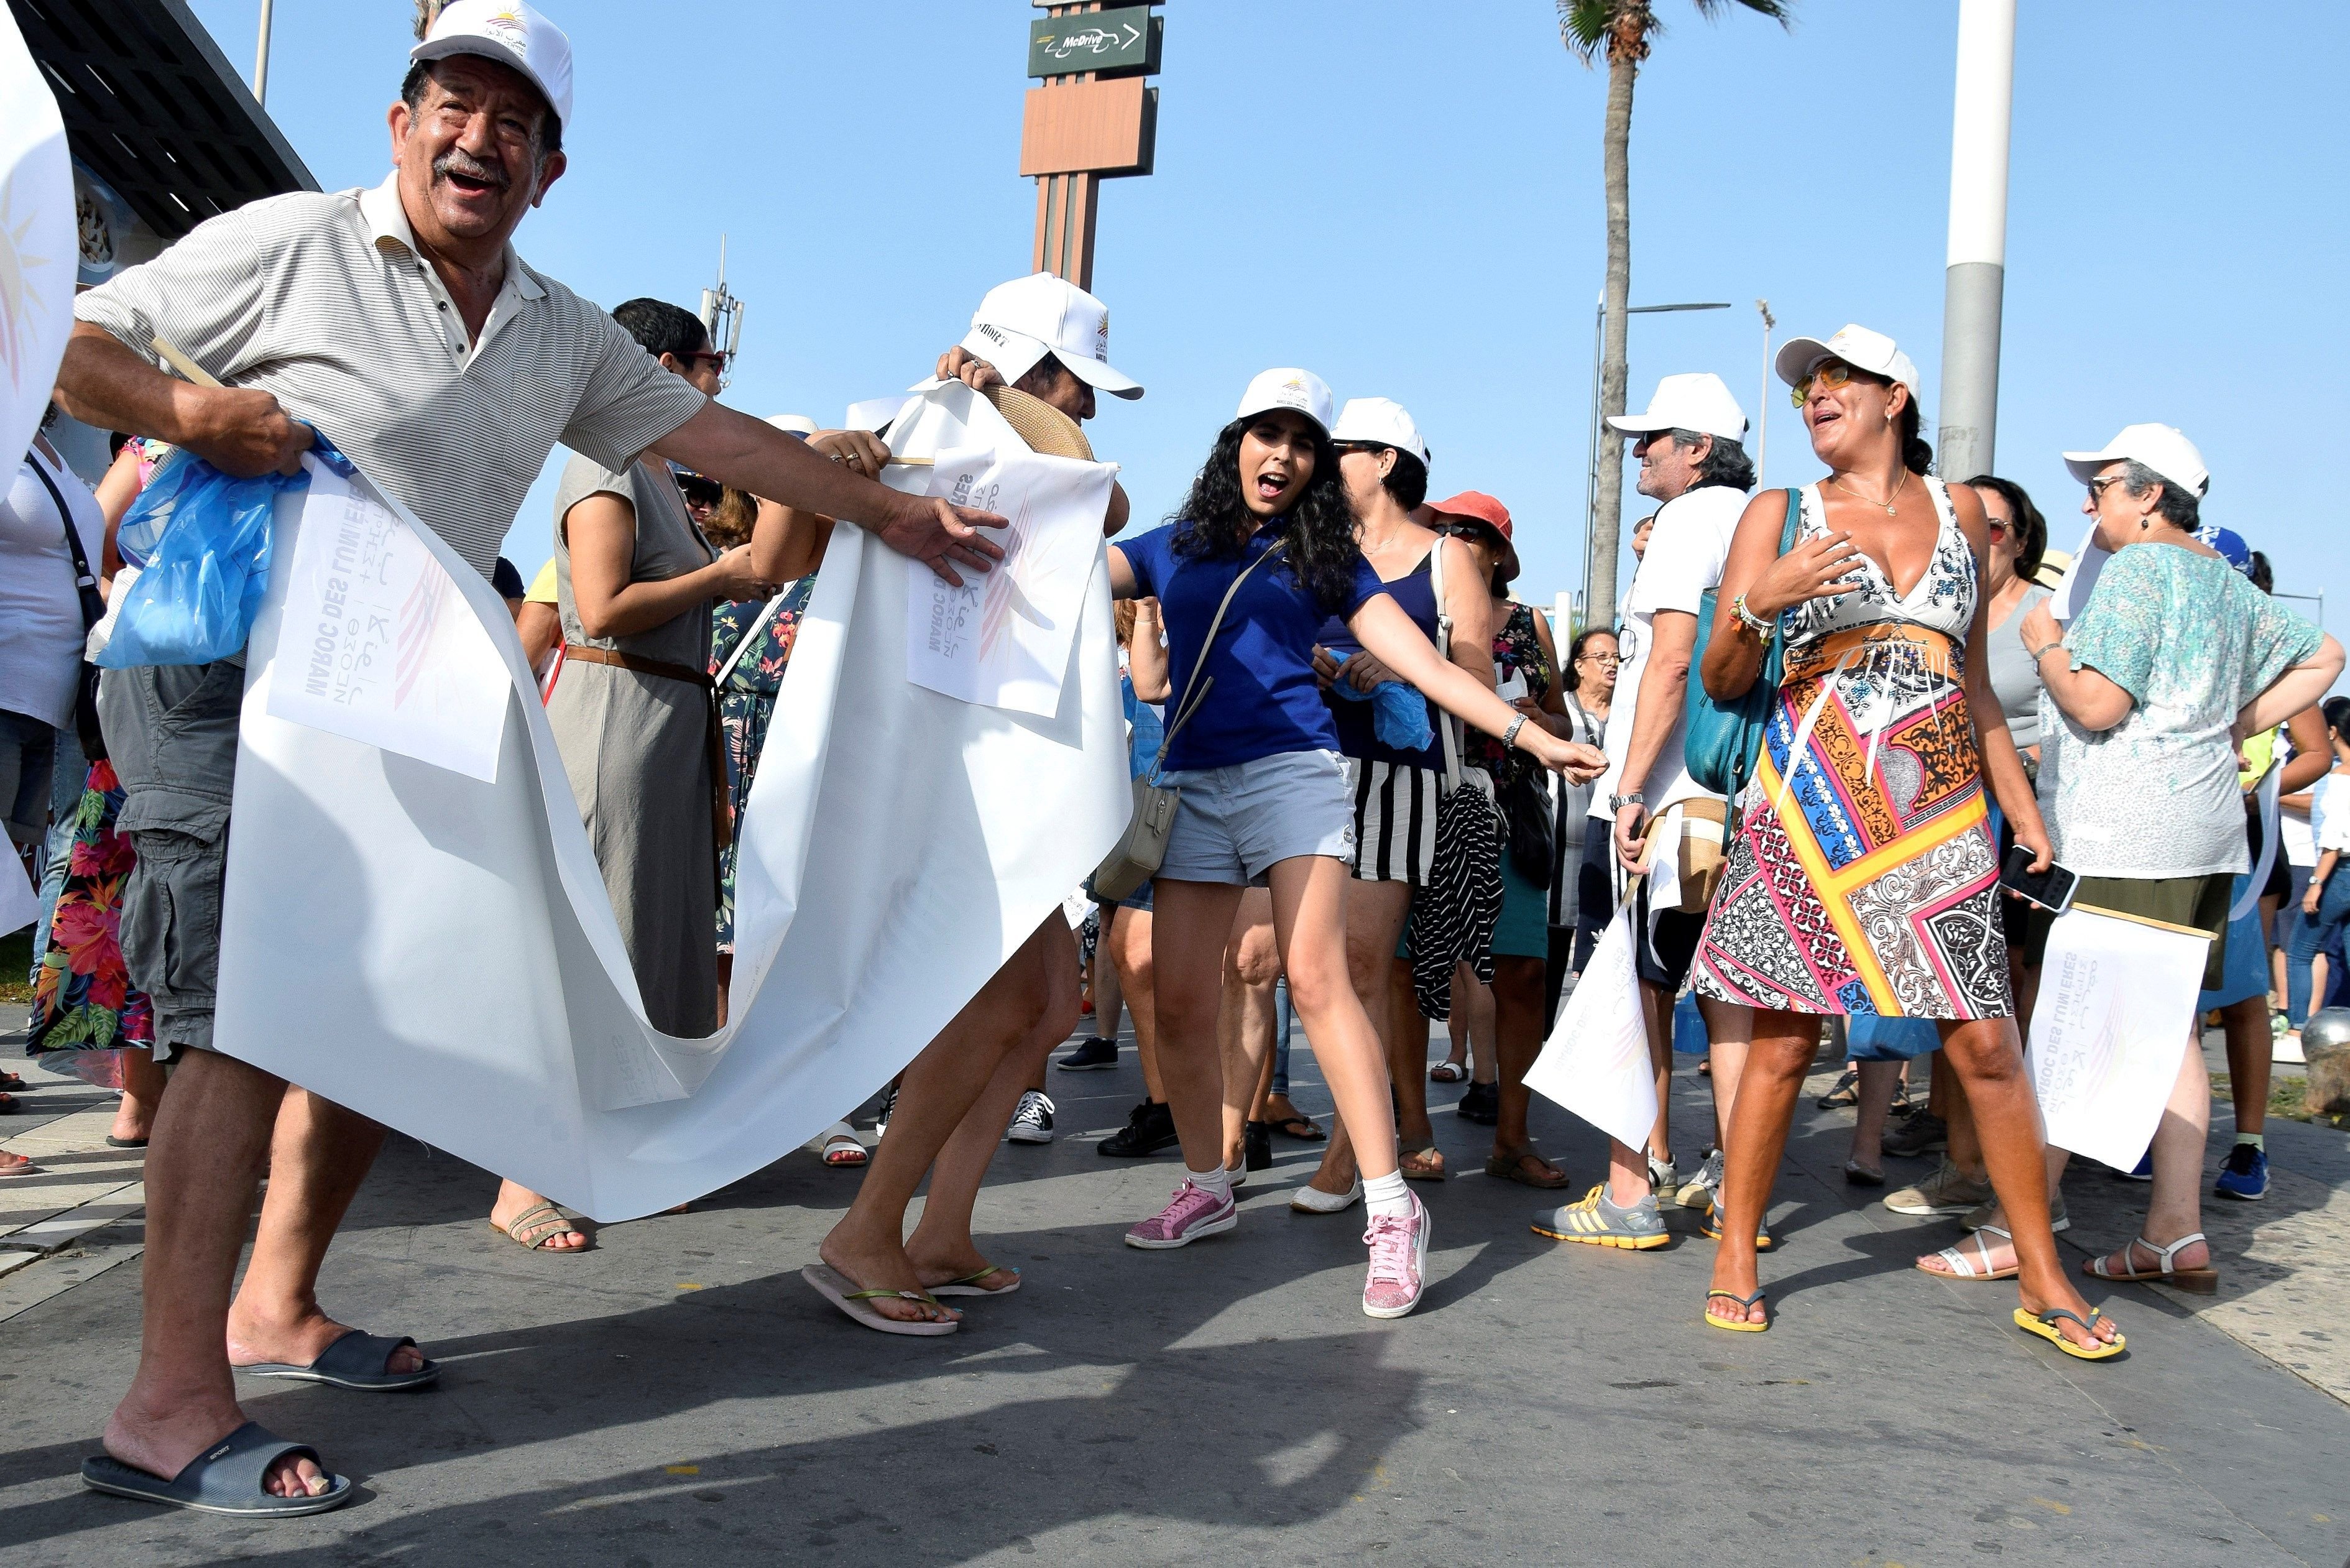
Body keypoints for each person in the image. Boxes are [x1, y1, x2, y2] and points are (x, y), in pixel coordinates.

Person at [55, 1, 1007, 1510]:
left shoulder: (558, 331)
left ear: (552, 169)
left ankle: (275, 1300)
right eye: (451, 102)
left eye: (514, 121)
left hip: (391, 684)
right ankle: (167, 1405)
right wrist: (184, 406)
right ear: (400, 124)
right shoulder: (296, 240)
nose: (476, 136)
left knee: (386, 1002)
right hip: (225, 663)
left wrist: (896, 514)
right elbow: (60, 333)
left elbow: (721, 433)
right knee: (234, 1012)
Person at [1106, 368, 1603, 1318]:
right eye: (1268, 434)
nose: (1284, 455)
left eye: (1303, 441)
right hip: (1194, 783)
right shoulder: (1173, 545)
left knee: (1320, 974)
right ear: (1235, 444)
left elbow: (1428, 662)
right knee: (1177, 999)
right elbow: (1065, 569)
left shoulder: (1329, 563)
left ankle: (1388, 1207)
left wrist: (1531, 735)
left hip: (1298, 775)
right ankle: (1209, 1183)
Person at [1691, 325, 2111, 1355]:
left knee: (1986, 1042)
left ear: (1895, 397)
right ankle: (1737, 1250)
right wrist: (1761, 600)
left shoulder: (1962, 510)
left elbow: (1971, 678)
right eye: (1805, 387)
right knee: (1786, 1037)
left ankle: (2042, 1272)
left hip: (1937, 805)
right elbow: (1721, 676)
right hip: (1814, 792)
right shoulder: (1778, 511)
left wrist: (2018, 806)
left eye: (1835, 378)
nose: (1815, 396)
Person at [808, 271, 1146, 1331]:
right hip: (951, 767)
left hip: (1000, 756)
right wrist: (866, 440)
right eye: (1073, 382)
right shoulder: (919, 417)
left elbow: (1107, 499)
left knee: (1047, 1003)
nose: (1083, 405)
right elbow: (808, 488)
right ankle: (866, 1227)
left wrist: (1012, 397)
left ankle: (941, 1227)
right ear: (1025, 362)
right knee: (1002, 1001)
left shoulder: (1013, 426)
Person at [1948, 426, 2339, 1298]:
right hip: (2204, 831)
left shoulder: (2137, 572)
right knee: (2164, 1030)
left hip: (2129, 829)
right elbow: (2326, 656)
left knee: (2071, 1025)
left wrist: (2047, 638)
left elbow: (2094, 703)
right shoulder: (2224, 580)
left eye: (2103, 486)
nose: (2090, 504)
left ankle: (2027, 1228)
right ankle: (2173, 1231)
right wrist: (2235, 722)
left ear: (2149, 494)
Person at [481, 298, 783, 1256]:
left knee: (656, 944)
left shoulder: (659, 468)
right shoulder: (606, 463)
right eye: (707, 363)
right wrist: (719, 576)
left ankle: (617, 1152)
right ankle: (522, 1175)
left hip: (665, 721)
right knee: (598, 945)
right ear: (656, 364)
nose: (718, 382)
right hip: (615, 717)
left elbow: (755, 563)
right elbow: (602, 606)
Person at [1564, 374, 1758, 1243]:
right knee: (1726, 997)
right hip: (1735, 799)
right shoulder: (1766, 520)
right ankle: (1730, 1187)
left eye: (1655, 437)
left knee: (1637, 989)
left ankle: (1630, 1187)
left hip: (1672, 802)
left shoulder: (1691, 520)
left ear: (1698, 451)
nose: (1638, 450)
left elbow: (1672, 664)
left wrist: (1631, 789)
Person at [1289, 400, 1490, 1207]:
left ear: (1382, 459)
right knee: (1308, 966)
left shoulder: (1448, 559)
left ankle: (1349, 1154)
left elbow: (1476, 681)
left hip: (1400, 775)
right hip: (1307, 769)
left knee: (1364, 962)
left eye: (1335, 449)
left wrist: (1402, 671)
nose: (1318, 461)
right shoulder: (1317, 553)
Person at [1881, 475, 2051, 1213]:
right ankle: (1960, 1156)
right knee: (1945, 986)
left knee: (2000, 991)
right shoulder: (1938, 601)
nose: (1976, 536)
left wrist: (2031, 793)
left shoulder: (2044, 614)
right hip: (1935, 806)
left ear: (2017, 540)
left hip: (2014, 815)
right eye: (1965, 521)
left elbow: (2050, 711)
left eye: (1992, 527)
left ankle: (2014, 1174)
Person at [1430, 492, 1585, 1191]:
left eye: (1470, 532)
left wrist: (1536, 714)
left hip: (1514, 802)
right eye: (1445, 528)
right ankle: (1409, 1136)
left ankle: (1512, 1137)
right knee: (1407, 972)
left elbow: (1563, 715)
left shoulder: (1529, 621)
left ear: (1499, 552)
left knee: (1521, 971)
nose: (1455, 539)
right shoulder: (1412, 606)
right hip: (1426, 797)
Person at [1544, 625, 1615, 1018]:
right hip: (1555, 850)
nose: (1612, 665)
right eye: (1601, 657)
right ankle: (1540, 1045)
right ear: (1579, 665)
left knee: (1599, 957)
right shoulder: (1560, 711)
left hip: (1607, 854)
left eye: (1617, 657)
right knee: (1551, 954)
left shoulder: (1628, 713)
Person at [2290, 699, 2350, 1028]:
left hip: (2339, 873)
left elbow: (2334, 838)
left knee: (2301, 951)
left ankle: (2299, 1029)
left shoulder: (2341, 777)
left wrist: (2315, 885)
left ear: (2332, 731)